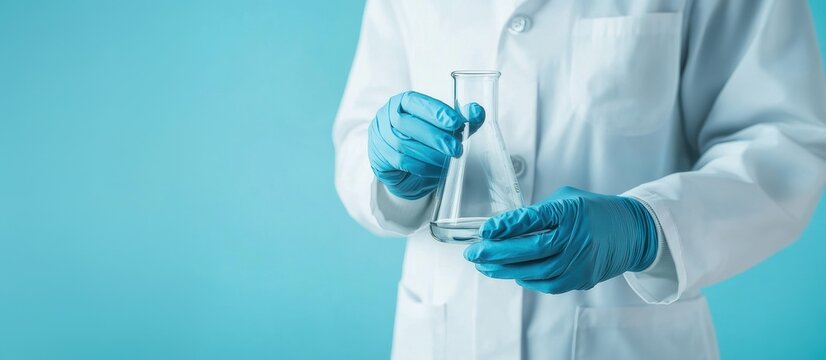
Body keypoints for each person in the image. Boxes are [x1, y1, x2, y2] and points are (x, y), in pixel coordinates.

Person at [333, 0, 826, 359]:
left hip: (626, 338)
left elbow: (782, 141)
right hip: (444, 335)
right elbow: (359, 137)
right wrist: (393, 174)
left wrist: (647, 228)